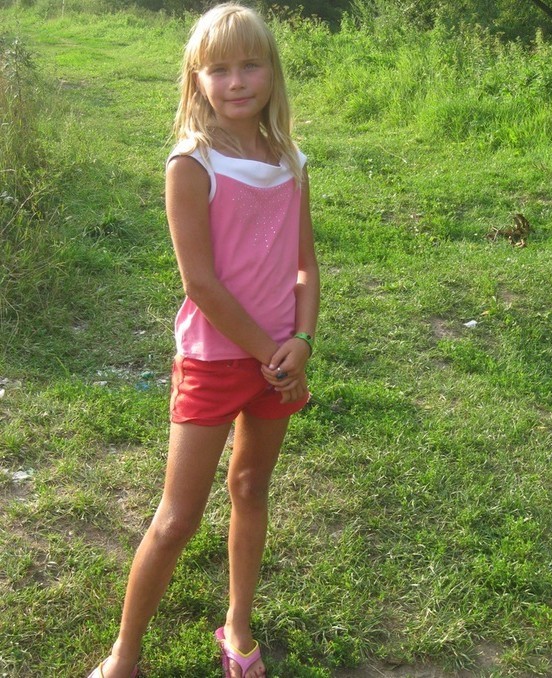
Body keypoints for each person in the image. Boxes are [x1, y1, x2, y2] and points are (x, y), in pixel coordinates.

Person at [87, 3, 319, 677]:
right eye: (218, 69)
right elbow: (202, 284)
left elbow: (306, 265)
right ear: (196, 78)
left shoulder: (290, 160)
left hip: (279, 361)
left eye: (250, 65)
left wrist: (302, 340)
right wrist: (271, 353)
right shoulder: (192, 164)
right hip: (216, 361)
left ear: (272, 73)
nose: (236, 81)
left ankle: (237, 625)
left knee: (251, 488)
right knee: (177, 519)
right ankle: (124, 655)